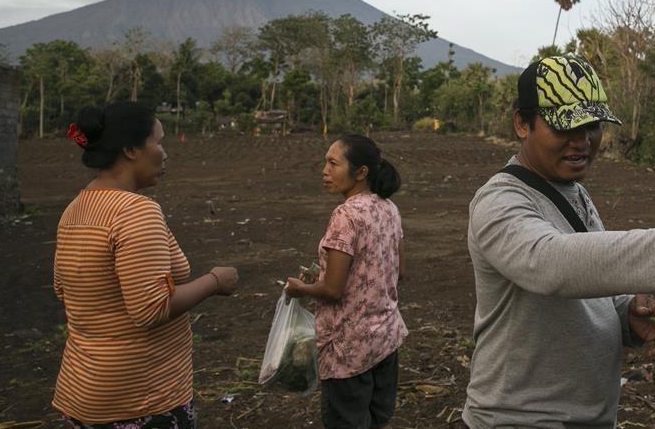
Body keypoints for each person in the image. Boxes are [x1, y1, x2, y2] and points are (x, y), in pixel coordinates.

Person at [463, 54, 655, 428]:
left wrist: (625, 313)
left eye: (592, 126)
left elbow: (588, 276)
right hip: (520, 418)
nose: (582, 141)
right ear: (522, 124)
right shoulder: (500, 201)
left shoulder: (574, 194)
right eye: (565, 127)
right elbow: (550, 263)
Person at [53, 102, 239, 429]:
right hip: (140, 399)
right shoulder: (136, 212)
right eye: (158, 142)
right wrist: (214, 281)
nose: (165, 153)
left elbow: (63, 291)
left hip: (83, 393)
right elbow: (150, 310)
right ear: (130, 150)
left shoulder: (74, 210)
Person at [284, 134, 407, 429]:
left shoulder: (346, 215)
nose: (324, 171)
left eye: (333, 163)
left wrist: (300, 288)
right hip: (385, 341)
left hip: (348, 352)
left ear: (361, 172)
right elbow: (397, 271)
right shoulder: (389, 209)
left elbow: (333, 290)